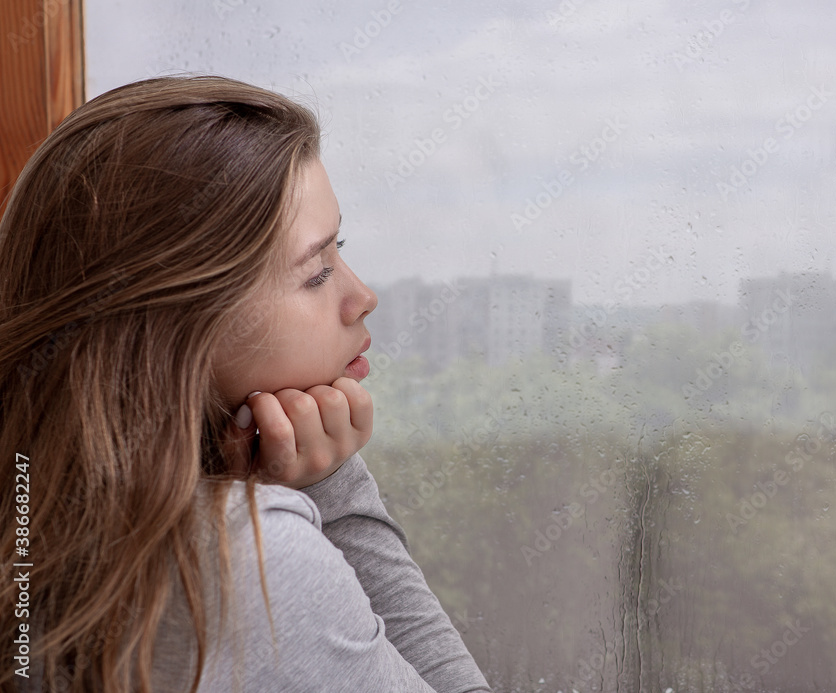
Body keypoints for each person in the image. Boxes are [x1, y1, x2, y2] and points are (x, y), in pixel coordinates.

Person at [0, 75, 492, 693]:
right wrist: (332, 489)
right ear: (176, 329)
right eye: (317, 273)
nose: (362, 298)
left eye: (340, 249)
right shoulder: (252, 562)